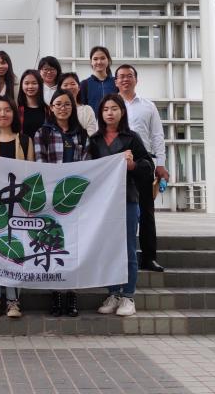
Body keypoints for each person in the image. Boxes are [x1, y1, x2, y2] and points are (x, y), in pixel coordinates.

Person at [87, 94, 154, 318]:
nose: (110, 113)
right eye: (106, 109)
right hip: (102, 203)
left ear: (122, 112)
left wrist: (132, 165)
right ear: (100, 113)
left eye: (114, 108)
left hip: (127, 199)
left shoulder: (132, 138)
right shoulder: (94, 140)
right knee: (108, 249)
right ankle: (113, 293)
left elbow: (147, 166)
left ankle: (128, 295)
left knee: (128, 249)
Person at [34, 89, 89, 317]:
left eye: (67, 104)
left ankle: (72, 294)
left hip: (74, 199)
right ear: (51, 108)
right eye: (58, 104)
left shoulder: (82, 134)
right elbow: (40, 163)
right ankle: (56, 293)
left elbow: (87, 164)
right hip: (51, 198)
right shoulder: (43, 133)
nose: (62, 108)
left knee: (74, 246)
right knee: (54, 244)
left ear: (72, 107)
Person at [0, 96, 32, 319]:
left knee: (15, 251)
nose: (2, 114)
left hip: (18, 205)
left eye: (7, 110)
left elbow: (31, 173)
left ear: (14, 114)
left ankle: (13, 301)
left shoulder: (25, 141)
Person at [115, 64, 170, 272]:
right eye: (121, 76)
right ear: (115, 81)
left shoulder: (148, 106)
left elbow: (157, 136)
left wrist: (161, 164)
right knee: (119, 213)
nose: (125, 79)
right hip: (117, 162)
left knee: (146, 211)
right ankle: (120, 257)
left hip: (143, 162)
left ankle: (149, 257)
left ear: (136, 80)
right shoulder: (110, 105)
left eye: (129, 76)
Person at [78, 46, 117, 112]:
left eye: (102, 58)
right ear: (91, 62)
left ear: (108, 60)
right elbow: (82, 108)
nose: (99, 62)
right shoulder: (84, 84)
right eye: (95, 59)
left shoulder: (116, 82)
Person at [17, 69, 47, 138]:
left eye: (34, 83)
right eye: (26, 83)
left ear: (40, 85)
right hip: (23, 144)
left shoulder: (47, 110)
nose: (30, 86)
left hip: (44, 144)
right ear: (21, 85)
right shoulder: (17, 110)